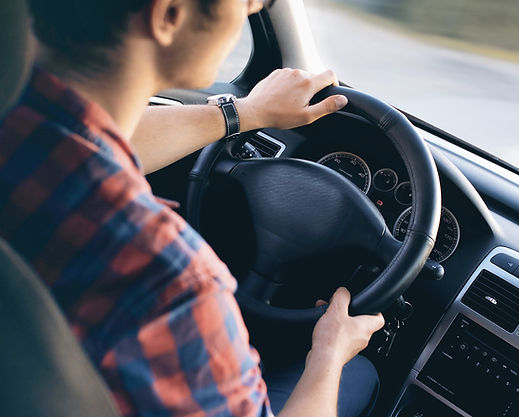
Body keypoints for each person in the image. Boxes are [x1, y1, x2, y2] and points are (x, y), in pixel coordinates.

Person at [0, 0, 385, 416]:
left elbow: (96, 141)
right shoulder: (169, 283)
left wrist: (247, 112)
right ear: (169, 14)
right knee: (358, 374)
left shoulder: (19, 123)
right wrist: (328, 353)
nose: (253, 7)